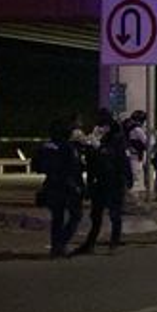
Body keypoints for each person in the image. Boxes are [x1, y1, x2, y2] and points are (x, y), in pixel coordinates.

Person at [73, 108, 131, 255]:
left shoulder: (116, 137)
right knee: (96, 214)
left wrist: (127, 177)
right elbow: (92, 160)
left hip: (114, 179)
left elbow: (121, 158)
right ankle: (90, 243)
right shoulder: (97, 134)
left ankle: (114, 243)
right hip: (100, 180)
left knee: (114, 213)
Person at [32, 119, 85, 258]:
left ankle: (56, 247)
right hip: (67, 186)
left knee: (57, 217)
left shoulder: (44, 146)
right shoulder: (67, 147)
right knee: (76, 215)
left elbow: (36, 166)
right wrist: (80, 187)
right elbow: (75, 168)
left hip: (50, 184)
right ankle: (61, 243)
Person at [124, 110, 150, 207]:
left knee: (134, 178)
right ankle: (134, 202)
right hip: (134, 157)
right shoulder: (137, 129)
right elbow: (148, 142)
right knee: (136, 179)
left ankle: (132, 201)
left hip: (132, 156)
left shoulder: (129, 128)